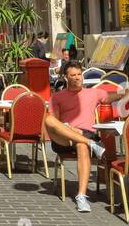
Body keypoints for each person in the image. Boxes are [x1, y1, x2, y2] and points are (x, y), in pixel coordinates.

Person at [44, 60, 114, 213]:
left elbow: (112, 97)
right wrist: (70, 128)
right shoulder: (57, 97)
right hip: (64, 137)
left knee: (81, 145)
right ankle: (91, 143)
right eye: (73, 75)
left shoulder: (93, 92)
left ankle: (81, 196)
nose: (77, 78)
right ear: (66, 77)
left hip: (85, 134)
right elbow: (54, 122)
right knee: (48, 119)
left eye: (79, 74)